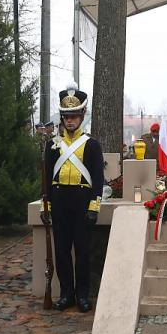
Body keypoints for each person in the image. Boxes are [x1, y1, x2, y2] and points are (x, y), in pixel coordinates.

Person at [42, 83, 104, 312]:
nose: (70, 121)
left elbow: (98, 180)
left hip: (81, 201)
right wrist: (45, 206)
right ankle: (66, 294)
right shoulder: (52, 146)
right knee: (61, 251)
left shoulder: (92, 146)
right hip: (59, 202)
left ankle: (83, 296)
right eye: (66, 117)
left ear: (82, 117)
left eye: (74, 116)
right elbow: (46, 180)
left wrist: (93, 207)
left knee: (82, 252)